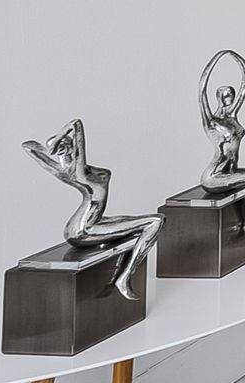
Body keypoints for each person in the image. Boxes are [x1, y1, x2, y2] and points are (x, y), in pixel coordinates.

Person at [21, 120, 162, 301]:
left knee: (138, 223)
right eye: (65, 144)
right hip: (84, 228)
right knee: (155, 222)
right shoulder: (76, 171)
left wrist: (50, 145)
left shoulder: (66, 169)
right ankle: (125, 277)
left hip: (92, 220)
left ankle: (125, 273)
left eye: (68, 142)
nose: (70, 144)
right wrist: (58, 138)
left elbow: (29, 147)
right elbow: (76, 124)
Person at [198, 50, 245, 247]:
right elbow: (201, 91)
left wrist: (237, 60)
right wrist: (216, 60)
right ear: (219, 97)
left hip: (231, 172)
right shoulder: (212, 122)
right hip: (214, 176)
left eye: (231, 94)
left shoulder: (233, 117)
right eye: (225, 95)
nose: (230, 97)